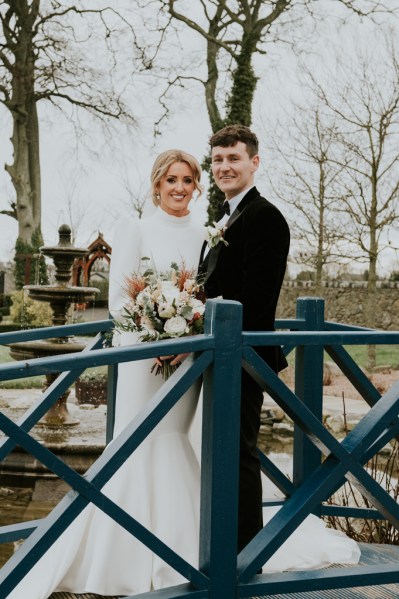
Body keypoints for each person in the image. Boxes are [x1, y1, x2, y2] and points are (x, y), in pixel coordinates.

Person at [7, 149, 205, 597]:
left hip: (188, 358)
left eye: (187, 180)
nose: (179, 187)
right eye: (170, 179)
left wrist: (185, 334)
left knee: (175, 441)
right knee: (136, 445)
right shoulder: (134, 228)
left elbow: (204, 297)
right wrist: (158, 330)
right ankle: (118, 554)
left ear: (196, 185)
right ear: (156, 184)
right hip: (143, 357)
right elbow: (118, 301)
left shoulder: (204, 235)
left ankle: (181, 550)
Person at [198, 124, 360, 567]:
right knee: (224, 451)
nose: (225, 166)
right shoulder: (228, 216)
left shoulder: (263, 216)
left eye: (234, 158)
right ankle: (225, 547)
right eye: (217, 159)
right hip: (221, 352)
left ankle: (243, 556)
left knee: (239, 454)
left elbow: (256, 299)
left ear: (255, 161)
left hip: (243, 355)